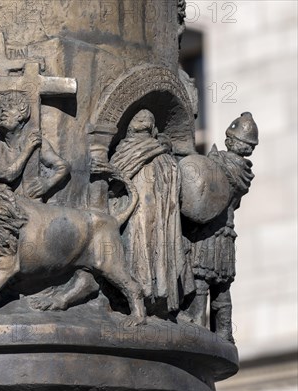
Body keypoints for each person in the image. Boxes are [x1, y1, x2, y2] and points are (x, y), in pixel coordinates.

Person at [110, 109, 194, 316]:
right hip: (142, 208)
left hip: (152, 210)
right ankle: (144, 292)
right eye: (141, 119)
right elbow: (115, 179)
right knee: (144, 245)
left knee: (149, 245)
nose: (144, 121)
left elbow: (113, 183)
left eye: (147, 119)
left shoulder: (158, 151)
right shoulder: (136, 150)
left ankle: (150, 293)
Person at [184, 112, 258, 342]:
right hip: (227, 233)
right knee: (223, 286)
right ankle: (224, 332)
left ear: (233, 142)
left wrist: (210, 159)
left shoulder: (221, 163)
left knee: (201, 278)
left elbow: (207, 185)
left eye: (230, 138)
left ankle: (197, 322)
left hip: (209, 231)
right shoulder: (245, 172)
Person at [0, 92, 70, 199]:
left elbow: (63, 167)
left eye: (10, 107)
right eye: (2, 108)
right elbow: (5, 175)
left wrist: (47, 184)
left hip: (31, 204)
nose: (4, 111)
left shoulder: (35, 140)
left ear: (22, 115)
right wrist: (27, 150)